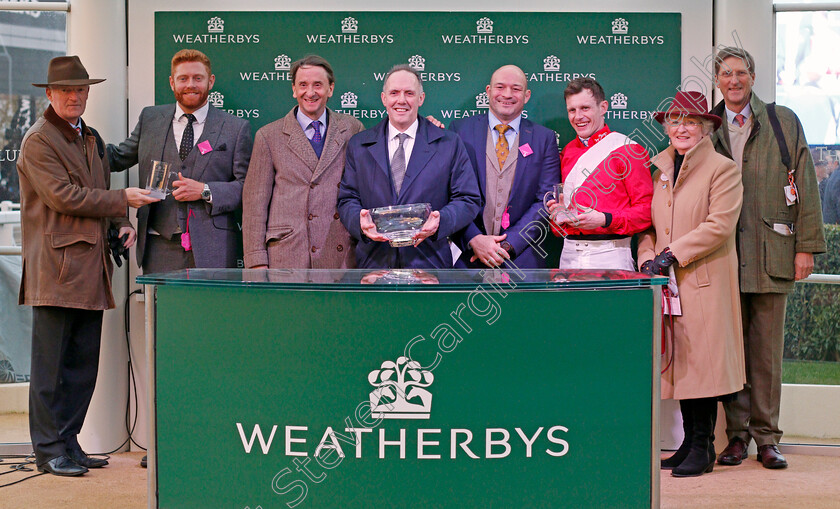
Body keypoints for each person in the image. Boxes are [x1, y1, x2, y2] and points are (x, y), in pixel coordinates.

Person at [17, 56, 158, 476]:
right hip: (57, 269)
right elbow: (63, 197)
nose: (75, 96)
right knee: (50, 369)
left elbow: (98, 187)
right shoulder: (38, 140)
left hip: (90, 267)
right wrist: (123, 202)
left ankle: (69, 443)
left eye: (80, 89)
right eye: (66, 90)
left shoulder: (90, 137)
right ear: (49, 94)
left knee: (81, 366)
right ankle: (47, 450)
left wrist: (120, 224)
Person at [710, 47, 825, 470]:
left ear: (753, 77)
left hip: (772, 253)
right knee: (731, 353)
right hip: (720, 258)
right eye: (726, 74)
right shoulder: (709, 126)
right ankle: (736, 438)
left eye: (741, 72)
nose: (734, 80)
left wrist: (806, 247)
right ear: (718, 81)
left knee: (765, 353)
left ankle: (767, 438)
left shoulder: (782, 121)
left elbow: (806, 186)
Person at [638, 91, 746, 477]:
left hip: (704, 281)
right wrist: (648, 256)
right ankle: (689, 441)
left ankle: (703, 445)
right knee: (683, 364)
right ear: (667, 128)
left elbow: (718, 226)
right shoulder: (660, 172)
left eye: (690, 122)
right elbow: (648, 226)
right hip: (670, 284)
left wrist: (673, 252)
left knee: (704, 365)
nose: (681, 128)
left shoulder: (722, 170)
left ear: (704, 130)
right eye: (675, 122)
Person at [108, 49, 252, 274]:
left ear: (210, 81)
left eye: (198, 78)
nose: (190, 85)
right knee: (163, 309)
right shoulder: (150, 119)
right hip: (158, 244)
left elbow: (247, 188)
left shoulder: (235, 128)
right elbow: (117, 158)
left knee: (213, 310)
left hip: (214, 247)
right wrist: (82, 142)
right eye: (183, 79)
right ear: (172, 83)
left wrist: (205, 190)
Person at [337, 64, 480, 269]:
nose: (401, 100)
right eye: (394, 93)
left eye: (409, 93)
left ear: (421, 98)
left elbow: (468, 199)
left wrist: (441, 222)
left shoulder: (449, 144)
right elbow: (347, 199)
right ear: (384, 98)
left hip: (430, 264)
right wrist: (359, 223)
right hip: (374, 265)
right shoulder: (359, 145)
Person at [242, 55, 363, 269]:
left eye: (318, 85)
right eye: (303, 85)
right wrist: (256, 262)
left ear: (331, 89)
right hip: (288, 254)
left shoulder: (352, 129)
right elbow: (255, 206)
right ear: (294, 89)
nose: (310, 92)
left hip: (340, 253)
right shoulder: (269, 136)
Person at [449, 65, 560, 268]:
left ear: (526, 96)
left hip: (523, 258)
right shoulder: (460, 131)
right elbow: (450, 193)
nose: (507, 95)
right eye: (500, 87)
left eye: (516, 89)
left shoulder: (544, 138)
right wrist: (474, 239)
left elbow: (545, 200)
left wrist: (508, 245)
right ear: (489, 91)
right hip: (468, 256)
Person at [547, 77, 653, 270]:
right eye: (572, 110)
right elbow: (559, 228)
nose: (578, 116)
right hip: (568, 256)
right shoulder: (567, 152)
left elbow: (646, 212)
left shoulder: (629, 150)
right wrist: (558, 216)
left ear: (603, 107)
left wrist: (606, 219)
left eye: (585, 108)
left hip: (611, 255)